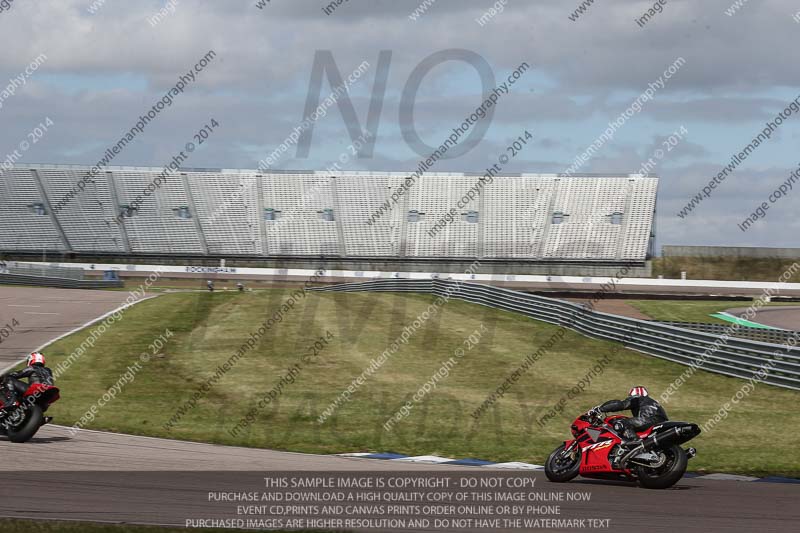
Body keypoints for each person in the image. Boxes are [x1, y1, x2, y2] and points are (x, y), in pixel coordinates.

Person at [588, 386, 668, 446]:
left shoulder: (637, 399)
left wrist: (599, 409)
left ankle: (635, 442)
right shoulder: (651, 401)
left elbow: (619, 405)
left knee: (621, 423)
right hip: (662, 422)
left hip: (648, 420)